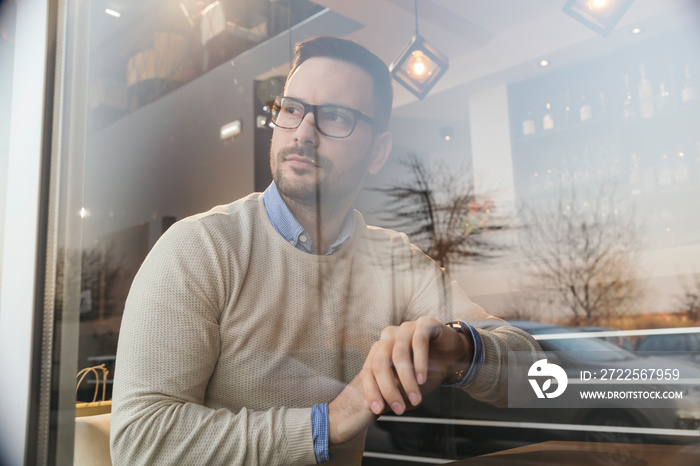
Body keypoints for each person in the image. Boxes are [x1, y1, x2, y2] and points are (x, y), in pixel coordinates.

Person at [110, 36, 540, 465]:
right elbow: (141, 443)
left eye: (335, 117)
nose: (303, 133)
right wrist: (328, 423)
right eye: (292, 109)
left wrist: (461, 349)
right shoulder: (200, 248)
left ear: (378, 151)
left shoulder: (392, 260)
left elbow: (531, 376)